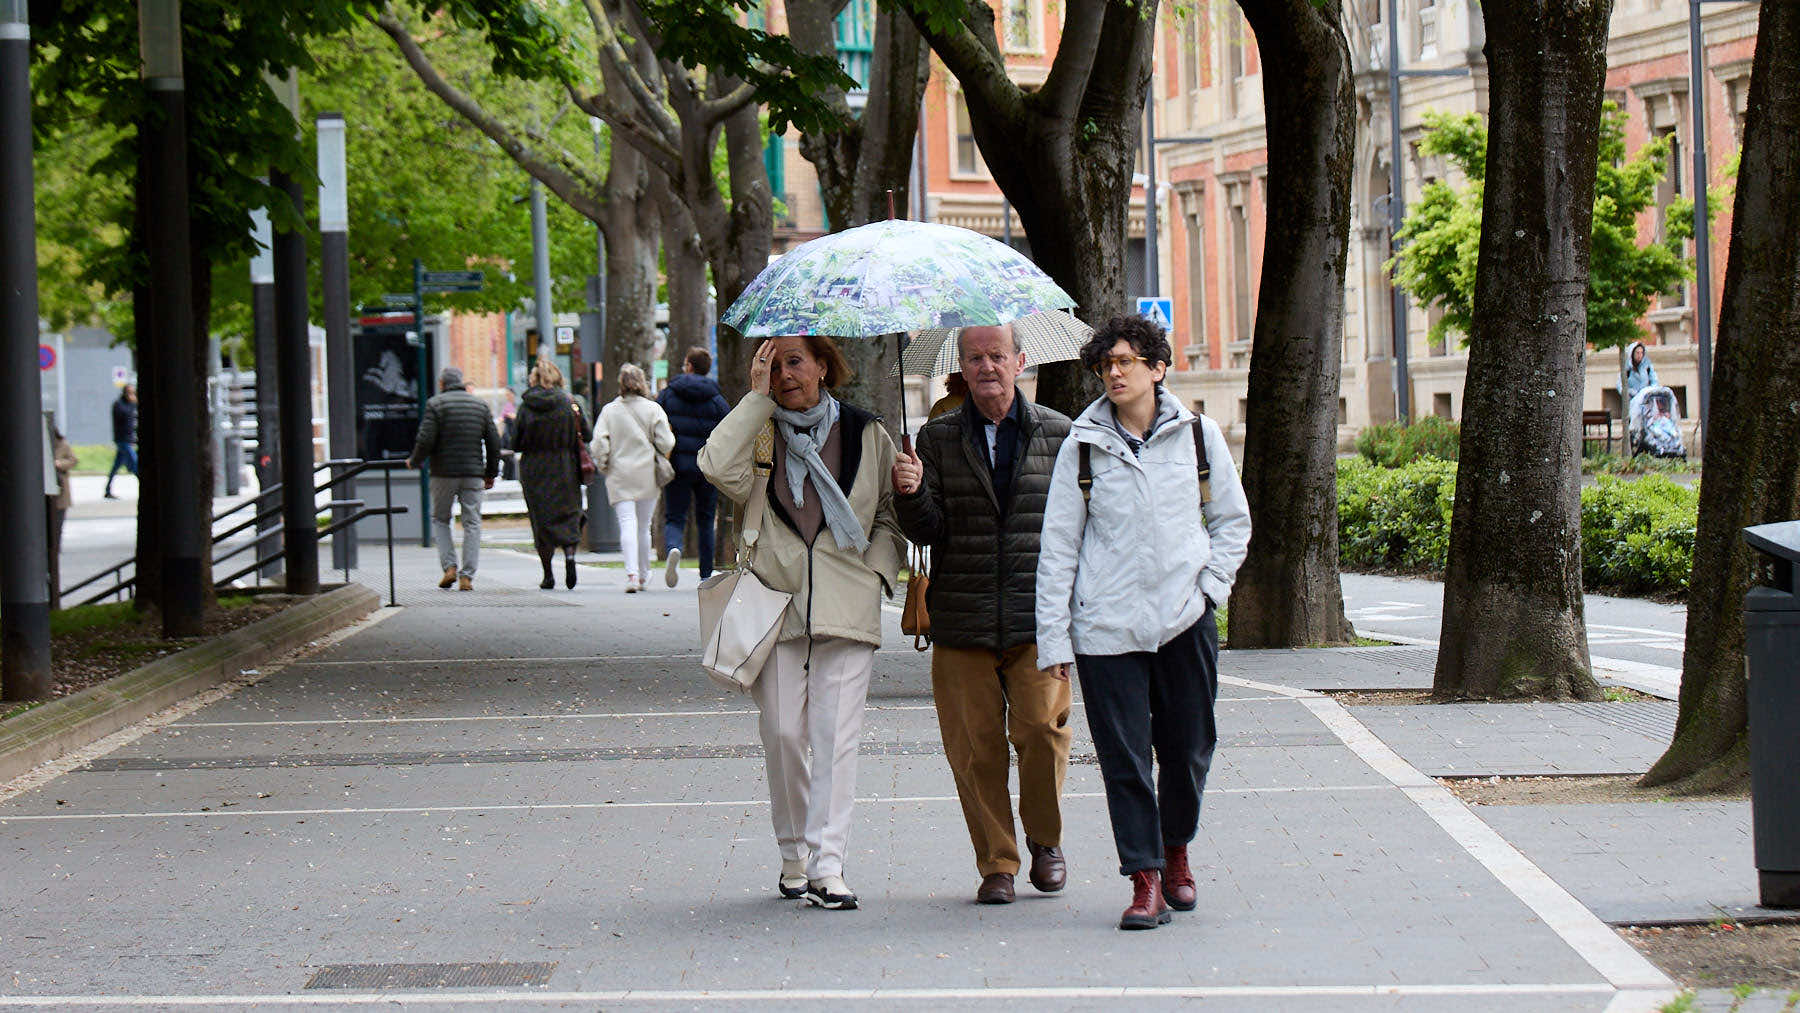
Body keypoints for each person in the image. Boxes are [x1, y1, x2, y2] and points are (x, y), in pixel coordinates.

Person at [1035, 315, 1251, 931]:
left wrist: (1209, 590)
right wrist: (1054, 636)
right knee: (1125, 759)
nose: (1116, 372)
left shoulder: (1200, 437)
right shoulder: (1082, 446)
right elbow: (1059, 548)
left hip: (1185, 622)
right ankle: (1146, 877)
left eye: (1128, 361)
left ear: (1158, 368)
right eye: (1108, 364)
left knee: (1187, 749)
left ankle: (1176, 847)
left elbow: (1232, 523)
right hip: (1106, 630)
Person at [698, 335, 904, 911]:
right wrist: (755, 399)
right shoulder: (759, 432)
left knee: (835, 740)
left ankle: (829, 865)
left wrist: (878, 574)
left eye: (795, 361)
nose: (786, 373)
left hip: (848, 603)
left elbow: (890, 513)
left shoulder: (867, 432)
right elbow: (714, 465)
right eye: (772, 363)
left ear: (821, 366)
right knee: (784, 735)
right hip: (775, 603)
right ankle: (794, 854)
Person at [890, 324, 1074, 905]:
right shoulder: (938, 438)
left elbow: (1078, 533)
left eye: (997, 355)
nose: (987, 366)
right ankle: (997, 862)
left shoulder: (1061, 434)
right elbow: (926, 531)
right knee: (974, 747)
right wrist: (911, 492)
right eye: (975, 358)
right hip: (963, 615)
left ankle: (1045, 840)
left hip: (1036, 617)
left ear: (1021, 361)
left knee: (1042, 732)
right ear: (962, 369)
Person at [406, 366, 501, 591]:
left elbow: (426, 438)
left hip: (443, 474)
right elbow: (494, 442)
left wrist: (416, 460)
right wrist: (490, 473)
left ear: (442, 384)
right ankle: (467, 576)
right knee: (472, 522)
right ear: (461, 382)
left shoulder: (435, 404)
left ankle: (449, 567)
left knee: (440, 519)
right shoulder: (480, 405)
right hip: (472, 473)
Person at [592, 363, 675, 592]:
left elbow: (599, 442)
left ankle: (631, 574)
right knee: (643, 525)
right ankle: (644, 574)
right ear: (642, 382)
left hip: (619, 473)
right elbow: (666, 442)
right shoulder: (653, 409)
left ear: (621, 384)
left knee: (626, 523)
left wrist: (603, 462)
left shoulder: (610, 410)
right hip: (647, 472)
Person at [513, 360, 592, 590]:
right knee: (568, 515)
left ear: (534, 380)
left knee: (541, 520)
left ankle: (548, 574)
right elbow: (586, 434)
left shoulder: (526, 406)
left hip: (535, 471)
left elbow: (515, 442)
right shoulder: (570, 403)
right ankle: (569, 557)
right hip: (565, 467)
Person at [656, 346, 731, 586]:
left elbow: (657, 423)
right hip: (706, 466)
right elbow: (728, 430)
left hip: (677, 464)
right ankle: (706, 572)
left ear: (689, 366)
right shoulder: (716, 399)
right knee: (706, 518)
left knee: (675, 516)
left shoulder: (668, 394)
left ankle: (673, 547)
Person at [104, 384, 138, 499]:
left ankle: (107, 489)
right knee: (135, 464)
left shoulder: (132, 404)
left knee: (116, 466)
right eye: (130, 393)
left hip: (130, 439)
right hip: (123, 439)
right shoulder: (119, 405)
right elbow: (124, 417)